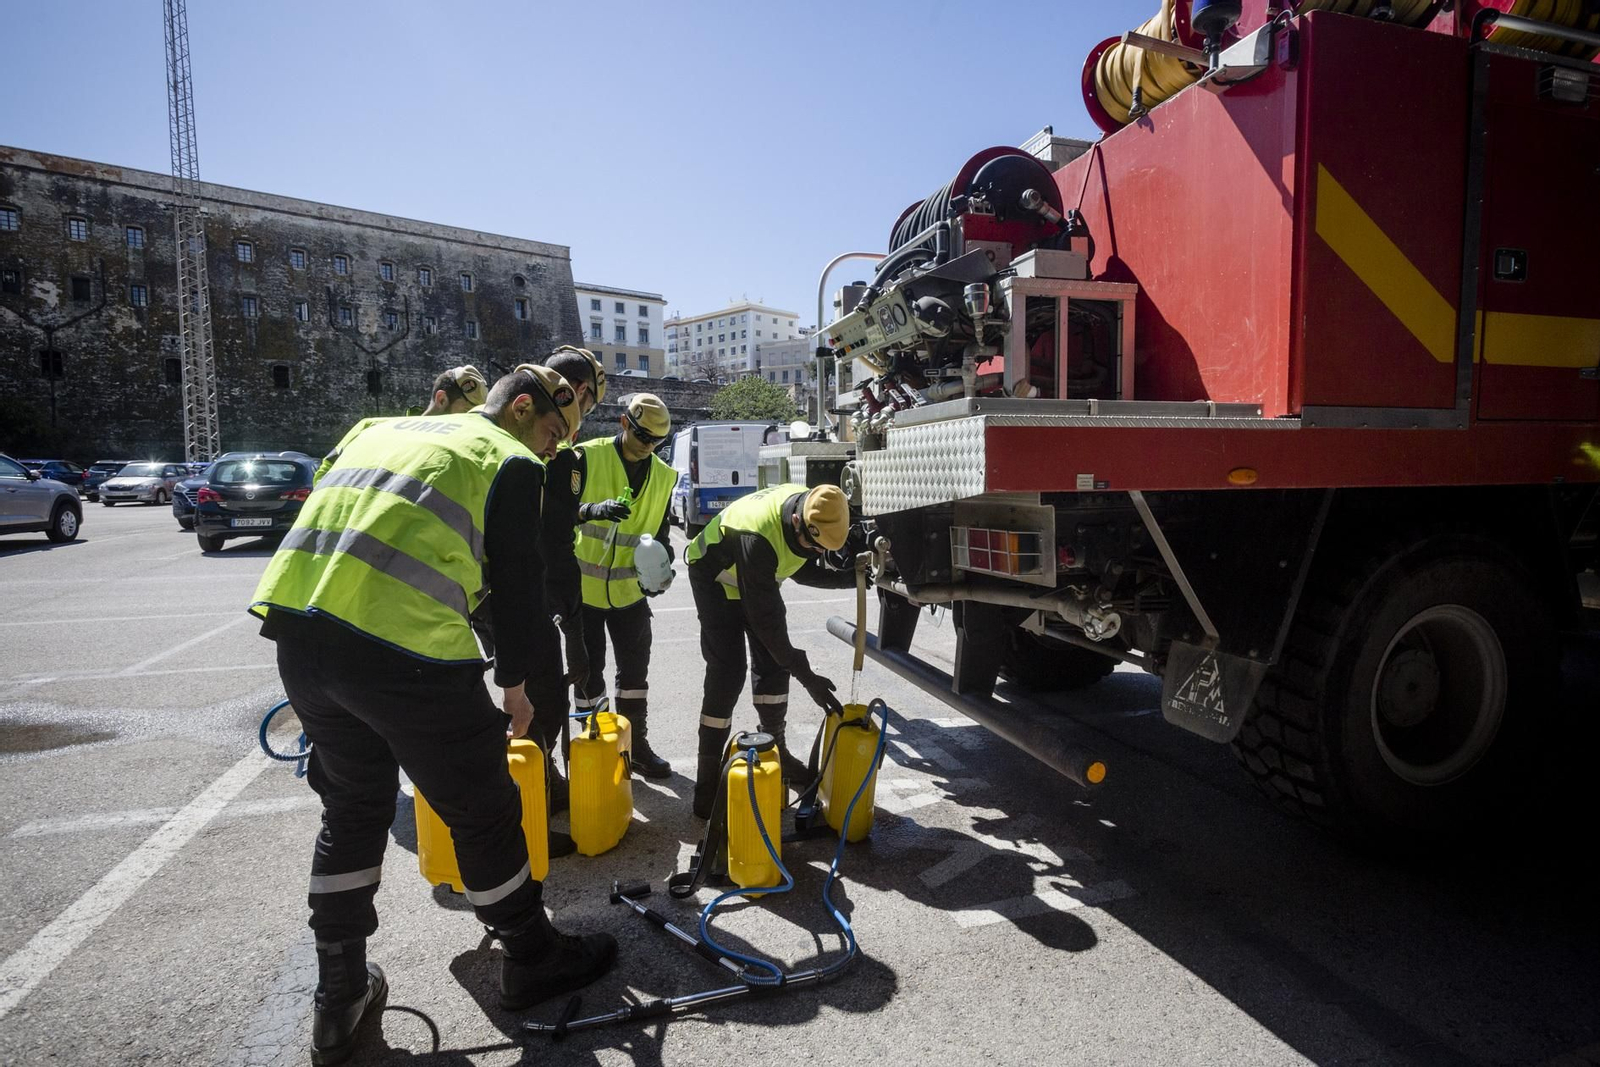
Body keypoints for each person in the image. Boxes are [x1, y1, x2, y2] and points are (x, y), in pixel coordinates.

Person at [249, 365, 615, 1066]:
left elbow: (362, 515)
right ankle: (532, 954)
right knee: (482, 806)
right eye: (550, 432)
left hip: (300, 634)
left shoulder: (382, 427)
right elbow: (518, 588)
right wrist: (516, 685)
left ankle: (339, 995)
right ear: (524, 408)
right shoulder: (506, 459)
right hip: (400, 647)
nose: (552, 449)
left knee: (352, 809)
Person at [685, 482, 854, 818]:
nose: (817, 553)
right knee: (727, 671)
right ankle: (706, 786)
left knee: (775, 667)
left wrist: (854, 577)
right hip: (714, 579)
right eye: (814, 544)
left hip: (756, 579)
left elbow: (802, 567)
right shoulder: (757, 536)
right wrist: (808, 678)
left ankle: (776, 747)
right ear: (797, 521)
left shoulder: (814, 507)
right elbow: (766, 624)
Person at [570, 393, 676, 778]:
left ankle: (637, 745)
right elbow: (551, 515)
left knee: (634, 675)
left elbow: (662, 535)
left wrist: (664, 568)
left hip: (631, 594)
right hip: (584, 593)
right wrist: (589, 511)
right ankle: (595, 744)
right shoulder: (585, 457)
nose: (647, 447)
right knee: (587, 674)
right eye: (642, 436)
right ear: (623, 423)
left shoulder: (665, 476)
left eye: (656, 442)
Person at [313, 364, 487, 482]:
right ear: (441, 399)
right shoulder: (371, 427)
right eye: (466, 412)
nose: (471, 421)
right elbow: (323, 477)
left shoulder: (370, 427)